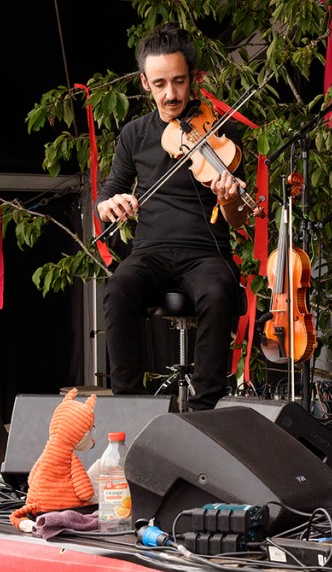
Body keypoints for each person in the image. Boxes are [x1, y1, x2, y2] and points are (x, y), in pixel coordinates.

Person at [96, 23, 252, 411]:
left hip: (205, 254)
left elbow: (238, 221)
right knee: (118, 289)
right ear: (145, 83)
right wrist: (108, 205)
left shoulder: (219, 132)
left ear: (193, 78)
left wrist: (229, 200)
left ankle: (204, 409)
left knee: (218, 292)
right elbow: (108, 192)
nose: (171, 94)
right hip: (150, 252)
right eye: (160, 84)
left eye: (179, 82)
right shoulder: (134, 135)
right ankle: (130, 407)